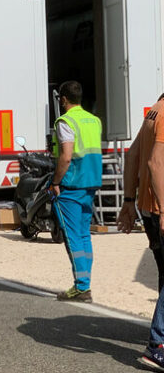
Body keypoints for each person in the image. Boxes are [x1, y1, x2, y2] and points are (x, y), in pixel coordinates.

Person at [118, 94, 164, 369]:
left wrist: (128, 202)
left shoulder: (154, 112)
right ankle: (158, 346)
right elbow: (155, 163)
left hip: (149, 209)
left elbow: (133, 154)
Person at [48, 81, 102, 303]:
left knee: (72, 237)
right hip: (90, 183)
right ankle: (85, 282)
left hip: (71, 184)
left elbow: (66, 156)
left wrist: (55, 182)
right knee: (83, 234)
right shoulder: (94, 120)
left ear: (63, 99)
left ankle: (81, 287)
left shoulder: (65, 121)